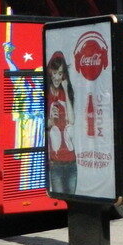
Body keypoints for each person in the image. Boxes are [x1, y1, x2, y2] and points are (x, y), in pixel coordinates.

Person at [45, 51, 77, 194]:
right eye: (55, 73)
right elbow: (40, 123)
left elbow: (72, 119)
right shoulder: (45, 94)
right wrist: (50, 121)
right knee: (59, 197)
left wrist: (65, 88)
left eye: (60, 73)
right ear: (50, 72)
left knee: (73, 199)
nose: (57, 77)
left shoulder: (66, 91)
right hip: (55, 162)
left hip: (71, 160)